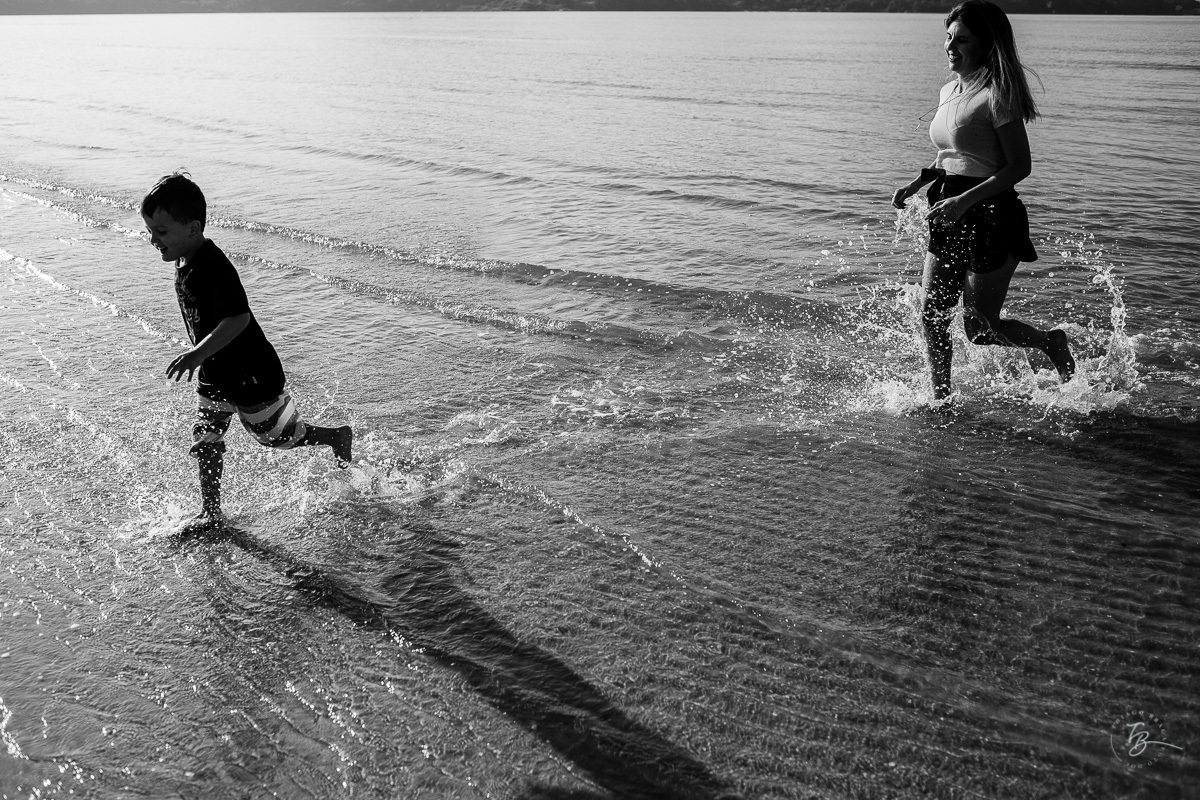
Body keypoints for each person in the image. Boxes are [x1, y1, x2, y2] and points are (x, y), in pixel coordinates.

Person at [141, 172, 352, 521]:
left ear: (193, 229)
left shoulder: (213, 265)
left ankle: (335, 437)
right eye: (151, 231)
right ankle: (211, 512)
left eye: (161, 232)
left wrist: (196, 353)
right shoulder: (185, 260)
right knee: (206, 437)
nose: (153, 240)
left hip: (249, 372)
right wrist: (203, 357)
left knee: (276, 438)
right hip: (215, 372)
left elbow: (237, 319)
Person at [892, 0, 1074, 401]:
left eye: (962, 39)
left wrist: (965, 202)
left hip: (993, 215)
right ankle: (941, 398)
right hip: (948, 207)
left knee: (980, 330)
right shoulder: (949, 89)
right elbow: (952, 156)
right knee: (932, 316)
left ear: (986, 45)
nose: (950, 46)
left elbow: (1018, 166)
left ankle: (1050, 343)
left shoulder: (998, 94)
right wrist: (916, 184)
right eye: (949, 36)